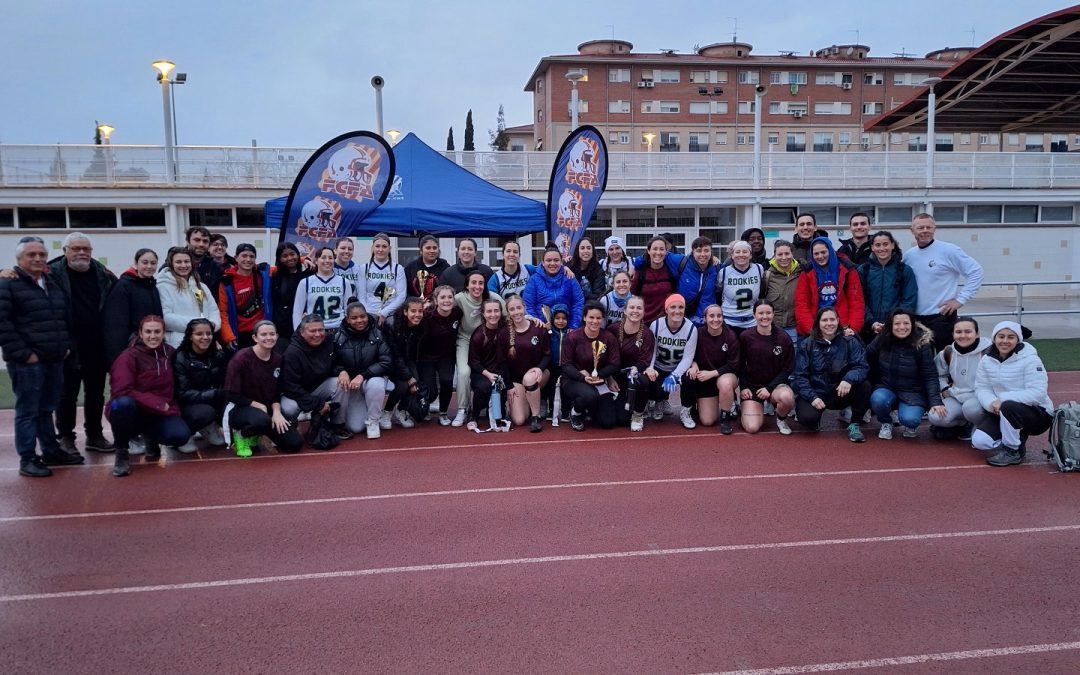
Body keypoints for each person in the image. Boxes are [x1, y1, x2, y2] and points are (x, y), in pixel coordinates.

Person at [0, 236, 81, 476]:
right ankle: (27, 458)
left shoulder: (49, 282)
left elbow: (62, 318)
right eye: (31, 255)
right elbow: (2, 323)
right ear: (19, 259)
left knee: (47, 408)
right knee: (28, 411)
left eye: (41, 254)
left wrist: (65, 346)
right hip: (28, 363)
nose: (37, 258)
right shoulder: (8, 284)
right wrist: (24, 354)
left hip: (54, 359)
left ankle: (50, 450)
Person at [48, 232, 117, 455]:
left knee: (96, 393)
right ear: (65, 251)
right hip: (67, 345)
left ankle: (95, 435)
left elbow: (119, 290)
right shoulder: (51, 273)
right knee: (66, 394)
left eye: (85, 249)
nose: (81, 253)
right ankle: (66, 437)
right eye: (76, 248)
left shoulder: (102, 273)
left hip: (96, 345)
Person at [106, 315, 191, 477]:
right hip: (133, 410)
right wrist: (156, 403)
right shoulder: (128, 357)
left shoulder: (170, 353)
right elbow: (122, 390)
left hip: (160, 412)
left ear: (164, 332)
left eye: (157, 331)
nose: (153, 336)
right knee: (121, 403)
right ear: (140, 333)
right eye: (148, 332)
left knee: (180, 435)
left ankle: (151, 437)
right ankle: (122, 452)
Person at [972, 321, 1054, 467]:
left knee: (1009, 406)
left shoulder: (1031, 359)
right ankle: (1016, 436)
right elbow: (981, 387)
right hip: (1002, 411)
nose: (1005, 341)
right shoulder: (986, 360)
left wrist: (1002, 400)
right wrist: (991, 404)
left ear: (1018, 340)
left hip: (1038, 414)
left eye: (1011, 337)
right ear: (994, 338)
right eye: (1001, 336)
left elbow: (1037, 393)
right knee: (980, 442)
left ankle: (1012, 450)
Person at [904, 213, 985, 350]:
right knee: (922, 360)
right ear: (912, 231)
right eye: (920, 227)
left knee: (945, 358)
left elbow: (976, 272)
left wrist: (961, 299)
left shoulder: (949, 250)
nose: (925, 230)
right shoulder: (909, 255)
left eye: (928, 227)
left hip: (942, 317)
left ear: (934, 228)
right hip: (916, 319)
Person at [791, 306, 871, 442]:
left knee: (864, 385)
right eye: (825, 320)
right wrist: (812, 397)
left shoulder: (850, 341)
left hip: (841, 391)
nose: (829, 323)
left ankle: (854, 424)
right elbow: (800, 376)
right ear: (818, 323)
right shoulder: (807, 344)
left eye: (832, 319)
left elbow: (862, 366)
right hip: (817, 393)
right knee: (808, 419)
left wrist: (848, 379)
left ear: (838, 321)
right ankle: (815, 416)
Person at [224, 320, 302, 457]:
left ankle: (257, 433)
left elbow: (277, 391)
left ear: (277, 336)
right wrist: (256, 404)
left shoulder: (278, 359)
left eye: (272, 334)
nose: (268, 338)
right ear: (255, 337)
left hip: (267, 410)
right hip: (240, 407)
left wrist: (277, 412)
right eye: (264, 334)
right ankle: (242, 435)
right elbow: (230, 394)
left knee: (293, 444)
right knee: (262, 420)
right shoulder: (241, 359)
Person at [866, 309, 944, 440]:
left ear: (912, 324)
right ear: (890, 325)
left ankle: (910, 422)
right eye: (897, 324)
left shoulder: (922, 343)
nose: (902, 327)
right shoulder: (882, 338)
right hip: (887, 386)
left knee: (910, 420)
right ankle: (886, 422)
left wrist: (936, 402)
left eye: (906, 323)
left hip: (913, 391)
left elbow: (930, 375)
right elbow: (865, 355)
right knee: (878, 399)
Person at [280, 314, 349, 439]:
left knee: (341, 383)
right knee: (289, 408)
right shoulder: (292, 352)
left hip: (318, 387)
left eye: (320, 330)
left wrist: (342, 371)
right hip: (295, 394)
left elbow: (336, 362)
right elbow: (290, 386)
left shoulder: (329, 340)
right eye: (312, 331)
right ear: (302, 332)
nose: (318, 334)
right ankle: (290, 427)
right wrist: (317, 403)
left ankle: (338, 425)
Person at [452, 271, 505, 426]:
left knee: (495, 377)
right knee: (463, 372)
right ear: (467, 285)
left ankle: (495, 409)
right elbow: (444, 304)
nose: (477, 286)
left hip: (487, 339)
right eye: (473, 283)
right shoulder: (459, 298)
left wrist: (529, 318)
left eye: (480, 283)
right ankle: (463, 408)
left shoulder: (493, 298)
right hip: (466, 339)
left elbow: (512, 313)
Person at [334, 302, 394, 439]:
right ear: (347, 319)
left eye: (363, 316)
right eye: (354, 318)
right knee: (356, 427)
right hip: (351, 386)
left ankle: (373, 420)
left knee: (377, 384)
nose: (359, 320)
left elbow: (386, 362)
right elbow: (332, 362)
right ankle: (364, 406)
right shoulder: (338, 337)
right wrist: (341, 371)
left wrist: (362, 375)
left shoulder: (377, 334)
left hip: (370, 379)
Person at [559, 301, 621, 431]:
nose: (595, 321)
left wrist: (601, 375)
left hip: (598, 380)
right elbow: (566, 365)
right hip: (574, 379)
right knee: (589, 395)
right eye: (591, 317)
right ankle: (575, 412)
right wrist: (581, 376)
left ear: (603, 319)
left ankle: (590, 410)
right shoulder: (572, 337)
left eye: (598, 318)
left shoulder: (608, 337)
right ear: (584, 317)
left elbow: (615, 363)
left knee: (608, 422)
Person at [928, 317, 991, 439]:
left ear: (977, 333)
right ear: (953, 334)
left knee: (970, 409)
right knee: (935, 416)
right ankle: (963, 424)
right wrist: (944, 388)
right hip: (956, 396)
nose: (963, 335)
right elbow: (938, 375)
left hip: (979, 398)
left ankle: (982, 427)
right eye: (958, 332)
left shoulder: (989, 352)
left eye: (968, 331)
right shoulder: (948, 352)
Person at [739, 300, 796, 435]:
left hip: (775, 386)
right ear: (754, 315)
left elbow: (788, 368)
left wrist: (769, 388)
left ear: (773, 314)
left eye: (768, 313)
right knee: (752, 428)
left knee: (787, 398)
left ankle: (781, 419)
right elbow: (740, 364)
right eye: (761, 313)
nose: (765, 316)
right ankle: (754, 406)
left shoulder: (783, 338)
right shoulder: (746, 336)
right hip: (753, 387)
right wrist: (744, 387)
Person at [173, 318, 229, 450]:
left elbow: (225, 381)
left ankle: (210, 426)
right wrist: (214, 394)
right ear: (190, 337)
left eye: (208, 334)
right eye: (199, 334)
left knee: (232, 406)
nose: (205, 337)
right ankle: (186, 435)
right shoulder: (180, 358)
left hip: (213, 398)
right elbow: (183, 393)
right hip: (188, 405)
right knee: (205, 412)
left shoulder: (218, 355)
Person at [683, 304, 740, 433]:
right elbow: (689, 354)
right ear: (704, 318)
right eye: (711, 316)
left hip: (725, 376)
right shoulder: (698, 333)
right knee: (707, 421)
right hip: (705, 380)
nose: (716, 319)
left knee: (725, 384)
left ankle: (726, 417)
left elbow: (734, 364)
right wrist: (694, 364)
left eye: (719, 316)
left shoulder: (730, 336)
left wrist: (713, 373)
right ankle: (698, 402)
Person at [102, 248, 163, 365]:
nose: (149, 266)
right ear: (136, 263)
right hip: (130, 348)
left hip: (150, 345)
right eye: (145, 262)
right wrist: (118, 356)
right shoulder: (124, 286)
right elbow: (116, 325)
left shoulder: (152, 286)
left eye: (153, 263)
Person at [794, 237, 865, 338]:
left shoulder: (847, 269)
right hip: (816, 328)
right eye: (816, 254)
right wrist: (812, 330)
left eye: (823, 252)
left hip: (843, 328)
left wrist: (853, 329)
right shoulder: (806, 272)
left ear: (831, 251)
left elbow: (856, 302)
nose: (820, 256)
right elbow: (801, 304)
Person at [645, 294, 698, 424]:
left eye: (681, 307)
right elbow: (652, 351)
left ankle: (686, 410)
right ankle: (659, 401)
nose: (677, 311)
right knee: (653, 384)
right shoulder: (656, 325)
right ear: (666, 309)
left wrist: (675, 375)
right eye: (673, 307)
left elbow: (688, 357)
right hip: (660, 365)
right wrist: (651, 368)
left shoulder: (691, 328)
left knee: (691, 378)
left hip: (678, 367)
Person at [500, 295, 550, 432]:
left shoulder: (538, 328)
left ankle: (536, 416)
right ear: (508, 312)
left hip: (538, 375)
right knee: (519, 420)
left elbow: (547, 355)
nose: (516, 312)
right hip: (516, 381)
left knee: (529, 379)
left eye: (519, 308)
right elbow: (502, 363)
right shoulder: (504, 333)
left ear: (525, 308)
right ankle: (525, 401)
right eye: (512, 309)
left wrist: (540, 368)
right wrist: (509, 386)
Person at [858, 231, 918, 344]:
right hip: (868, 329)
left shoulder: (904, 270)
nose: (882, 248)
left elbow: (909, 301)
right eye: (878, 245)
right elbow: (858, 300)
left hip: (896, 330)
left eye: (885, 244)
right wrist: (872, 322)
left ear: (892, 245)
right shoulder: (863, 270)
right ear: (872, 247)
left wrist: (892, 322)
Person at [157, 246, 221, 348]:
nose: (183, 265)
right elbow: (166, 318)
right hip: (179, 345)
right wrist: (199, 326)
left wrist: (211, 326)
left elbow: (214, 311)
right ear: (171, 264)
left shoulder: (201, 286)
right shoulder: (162, 287)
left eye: (186, 261)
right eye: (178, 262)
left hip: (206, 343)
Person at [608, 295, 654, 432]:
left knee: (643, 380)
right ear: (625, 311)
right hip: (615, 376)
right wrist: (609, 378)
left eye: (639, 308)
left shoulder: (647, 334)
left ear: (644, 311)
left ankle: (638, 414)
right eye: (632, 307)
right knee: (619, 420)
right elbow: (605, 357)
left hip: (634, 375)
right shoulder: (613, 330)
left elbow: (645, 360)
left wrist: (635, 369)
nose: (635, 311)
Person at [419, 285, 463, 426]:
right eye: (442, 297)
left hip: (446, 356)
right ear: (436, 301)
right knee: (430, 390)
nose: (446, 300)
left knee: (446, 381)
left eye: (450, 297)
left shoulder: (457, 313)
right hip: (427, 357)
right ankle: (423, 408)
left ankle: (443, 412)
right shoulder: (427, 316)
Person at [218, 243, 273, 349]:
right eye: (244, 256)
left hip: (263, 332)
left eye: (252, 256)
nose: (248, 259)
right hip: (240, 333)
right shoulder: (227, 282)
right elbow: (223, 311)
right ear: (236, 258)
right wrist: (228, 336)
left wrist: (304, 259)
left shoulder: (263, 274)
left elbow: (286, 263)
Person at [381, 297, 425, 428]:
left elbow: (412, 353)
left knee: (416, 382)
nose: (417, 315)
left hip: (407, 360)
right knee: (402, 385)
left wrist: (413, 377)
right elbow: (394, 355)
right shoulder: (391, 325)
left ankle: (401, 410)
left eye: (420, 311)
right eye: (413, 311)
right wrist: (408, 376)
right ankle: (387, 412)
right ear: (405, 312)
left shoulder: (420, 325)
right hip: (389, 362)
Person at [291, 246, 355, 332]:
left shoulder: (344, 282)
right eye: (323, 257)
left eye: (330, 258)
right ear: (316, 261)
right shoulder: (305, 282)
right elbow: (297, 312)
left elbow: (349, 310)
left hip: (338, 330)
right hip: (314, 331)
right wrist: (298, 332)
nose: (327, 261)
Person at [467, 298, 507, 431]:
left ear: (501, 312)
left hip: (502, 371)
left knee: (499, 418)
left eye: (496, 311)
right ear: (483, 314)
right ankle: (474, 416)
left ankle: (499, 414)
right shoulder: (478, 335)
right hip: (482, 372)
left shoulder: (506, 329)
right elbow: (473, 362)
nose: (493, 314)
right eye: (489, 311)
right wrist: (488, 375)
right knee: (484, 387)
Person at [523, 244, 585, 329]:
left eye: (556, 260)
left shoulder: (569, 278)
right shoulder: (534, 280)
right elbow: (528, 305)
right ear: (543, 263)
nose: (552, 263)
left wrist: (573, 326)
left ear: (561, 262)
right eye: (548, 260)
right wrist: (538, 325)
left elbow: (578, 303)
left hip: (567, 329)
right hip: (542, 329)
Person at [358, 232, 406, 327]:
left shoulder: (398, 269)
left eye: (384, 246)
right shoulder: (364, 268)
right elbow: (361, 296)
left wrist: (384, 313)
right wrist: (369, 314)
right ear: (372, 248)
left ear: (389, 249)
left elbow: (401, 296)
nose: (380, 249)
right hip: (370, 313)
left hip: (390, 314)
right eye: (377, 246)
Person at [717, 241, 765, 334]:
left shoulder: (759, 269)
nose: (741, 255)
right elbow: (717, 294)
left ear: (750, 255)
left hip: (752, 322)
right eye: (737, 252)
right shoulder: (724, 272)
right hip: (729, 322)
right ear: (732, 255)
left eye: (745, 251)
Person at [270, 242, 312, 349]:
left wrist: (304, 259)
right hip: (282, 329)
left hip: (305, 326)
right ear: (279, 259)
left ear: (298, 255)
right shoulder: (274, 277)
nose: (289, 258)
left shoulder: (308, 274)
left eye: (292, 254)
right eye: (284, 256)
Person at [632, 236, 677, 323]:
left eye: (661, 249)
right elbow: (633, 295)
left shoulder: (671, 272)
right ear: (649, 251)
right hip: (643, 322)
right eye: (655, 249)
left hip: (664, 322)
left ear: (666, 252)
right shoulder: (640, 272)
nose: (658, 252)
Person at [762, 240, 802, 341]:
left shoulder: (801, 273)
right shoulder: (768, 275)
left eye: (787, 253)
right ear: (774, 255)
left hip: (794, 328)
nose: (784, 257)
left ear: (792, 254)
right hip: (772, 327)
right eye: (780, 254)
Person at [404, 235, 450, 300]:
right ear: (421, 251)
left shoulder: (445, 267)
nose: (432, 251)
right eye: (428, 248)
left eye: (434, 248)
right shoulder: (411, 267)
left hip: (438, 306)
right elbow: (405, 291)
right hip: (415, 307)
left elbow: (448, 290)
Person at [568, 237, 606, 301]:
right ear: (578, 250)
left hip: (591, 306)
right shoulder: (569, 267)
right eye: (582, 248)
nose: (586, 251)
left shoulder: (598, 270)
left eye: (589, 248)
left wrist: (578, 293)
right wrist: (565, 267)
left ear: (592, 251)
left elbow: (599, 295)